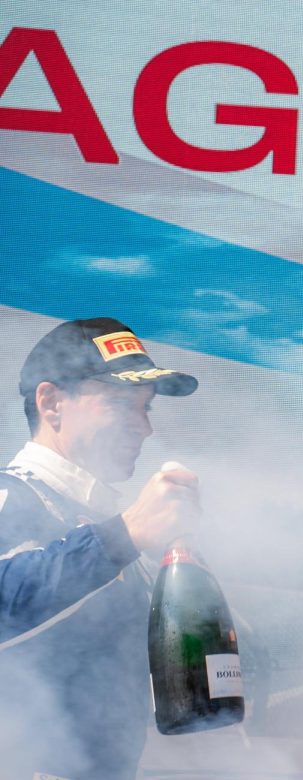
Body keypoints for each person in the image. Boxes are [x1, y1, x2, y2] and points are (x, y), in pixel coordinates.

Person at [0, 317, 201, 780]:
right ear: (51, 403)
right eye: (120, 403)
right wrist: (123, 536)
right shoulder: (14, 493)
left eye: (146, 407)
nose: (144, 427)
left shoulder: (107, 519)